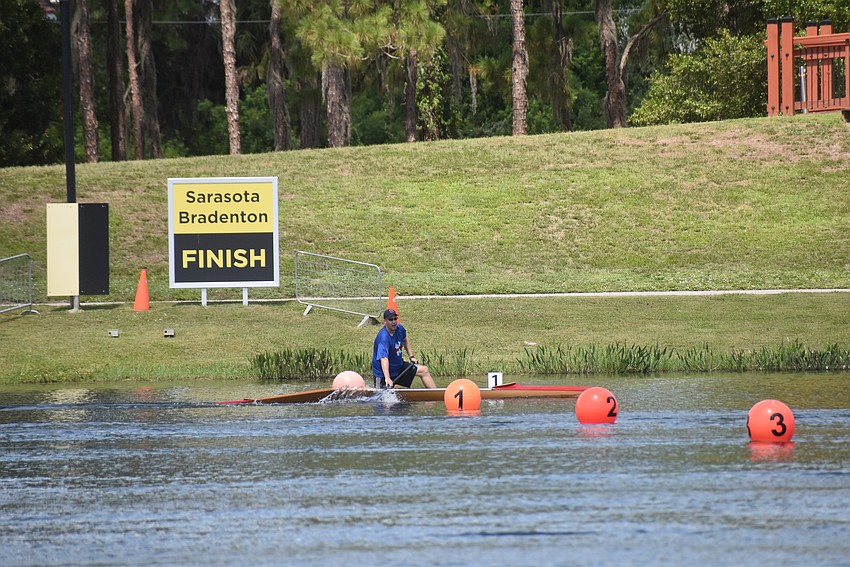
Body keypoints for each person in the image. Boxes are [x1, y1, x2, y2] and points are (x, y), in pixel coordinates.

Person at [372, 308, 436, 389]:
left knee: (424, 370)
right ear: (385, 322)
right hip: (383, 374)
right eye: (391, 319)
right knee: (386, 399)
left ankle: (436, 394)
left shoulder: (400, 329)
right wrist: (387, 378)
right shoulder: (383, 337)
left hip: (398, 368)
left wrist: (411, 356)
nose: (394, 321)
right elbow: (384, 359)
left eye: (395, 318)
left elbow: (405, 339)